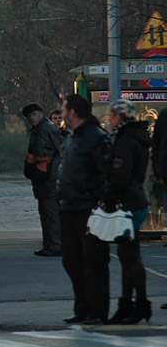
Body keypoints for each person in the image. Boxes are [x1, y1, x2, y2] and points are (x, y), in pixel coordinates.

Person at [56, 93, 112, 325]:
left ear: (73, 112)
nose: (61, 113)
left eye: (64, 108)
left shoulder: (95, 137)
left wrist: (99, 201)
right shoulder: (72, 137)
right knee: (71, 259)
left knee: (94, 261)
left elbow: (107, 173)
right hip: (69, 207)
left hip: (88, 208)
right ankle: (82, 308)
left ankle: (96, 311)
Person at [103, 99, 152, 324]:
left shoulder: (124, 141)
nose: (109, 120)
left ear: (119, 118)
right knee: (129, 256)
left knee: (130, 257)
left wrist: (109, 198)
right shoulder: (137, 138)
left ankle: (137, 304)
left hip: (127, 203)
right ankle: (130, 304)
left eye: (112, 116)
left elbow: (120, 175)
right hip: (136, 199)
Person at [22, 103, 62, 257]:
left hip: (49, 178)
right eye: (29, 116)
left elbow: (62, 150)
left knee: (51, 213)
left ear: (40, 113)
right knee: (45, 212)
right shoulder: (38, 130)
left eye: (34, 114)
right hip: (42, 178)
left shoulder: (49, 128)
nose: (32, 118)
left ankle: (55, 245)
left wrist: (54, 170)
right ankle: (49, 244)